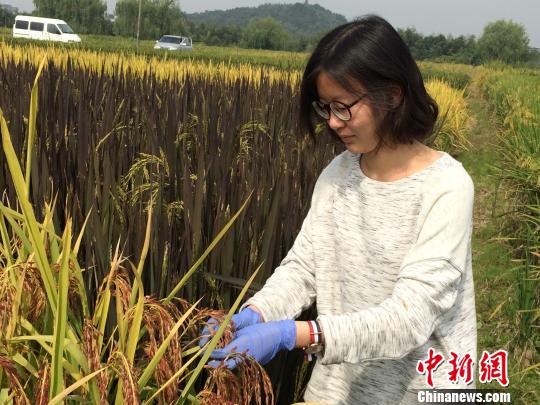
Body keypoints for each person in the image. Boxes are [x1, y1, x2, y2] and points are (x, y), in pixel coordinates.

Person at [199, 15, 477, 404]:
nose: (333, 122)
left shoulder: (446, 187)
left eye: (344, 107)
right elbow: (304, 267)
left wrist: (295, 334)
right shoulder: (337, 174)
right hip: (339, 388)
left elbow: (410, 317)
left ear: (393, 94)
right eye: (325, 107)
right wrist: (256, 313)